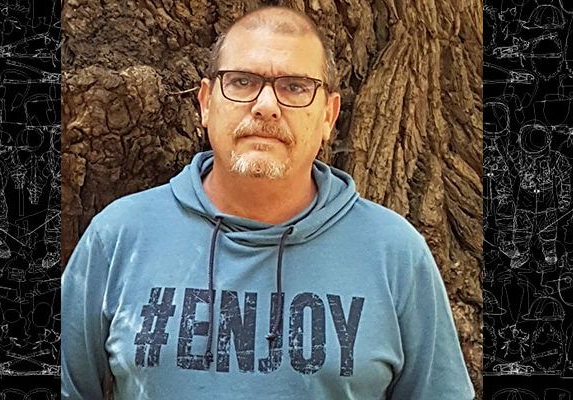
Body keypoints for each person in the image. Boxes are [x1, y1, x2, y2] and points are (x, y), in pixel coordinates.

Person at [61, 6, 475, 400]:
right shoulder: (119, 237)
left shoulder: (394, 253)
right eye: (242, 81)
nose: (265, 106)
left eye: (295, 87)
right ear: (206, 103)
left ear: (328, 116)